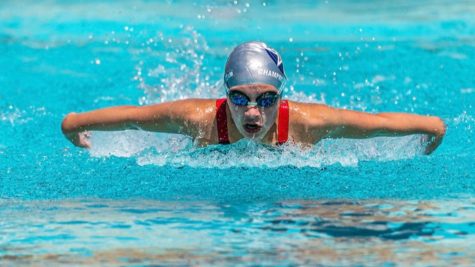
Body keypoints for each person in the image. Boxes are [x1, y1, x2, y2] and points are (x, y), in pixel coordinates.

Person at [61, 41, 446, 154]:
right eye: (239, 97)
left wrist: (434, 129)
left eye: (265, 99)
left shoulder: (307, 124)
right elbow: (134, 116)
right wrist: (74, 124)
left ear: (281, 97)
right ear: (224, 94)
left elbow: (375, 124)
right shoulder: (199, 119)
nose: (251, 110)